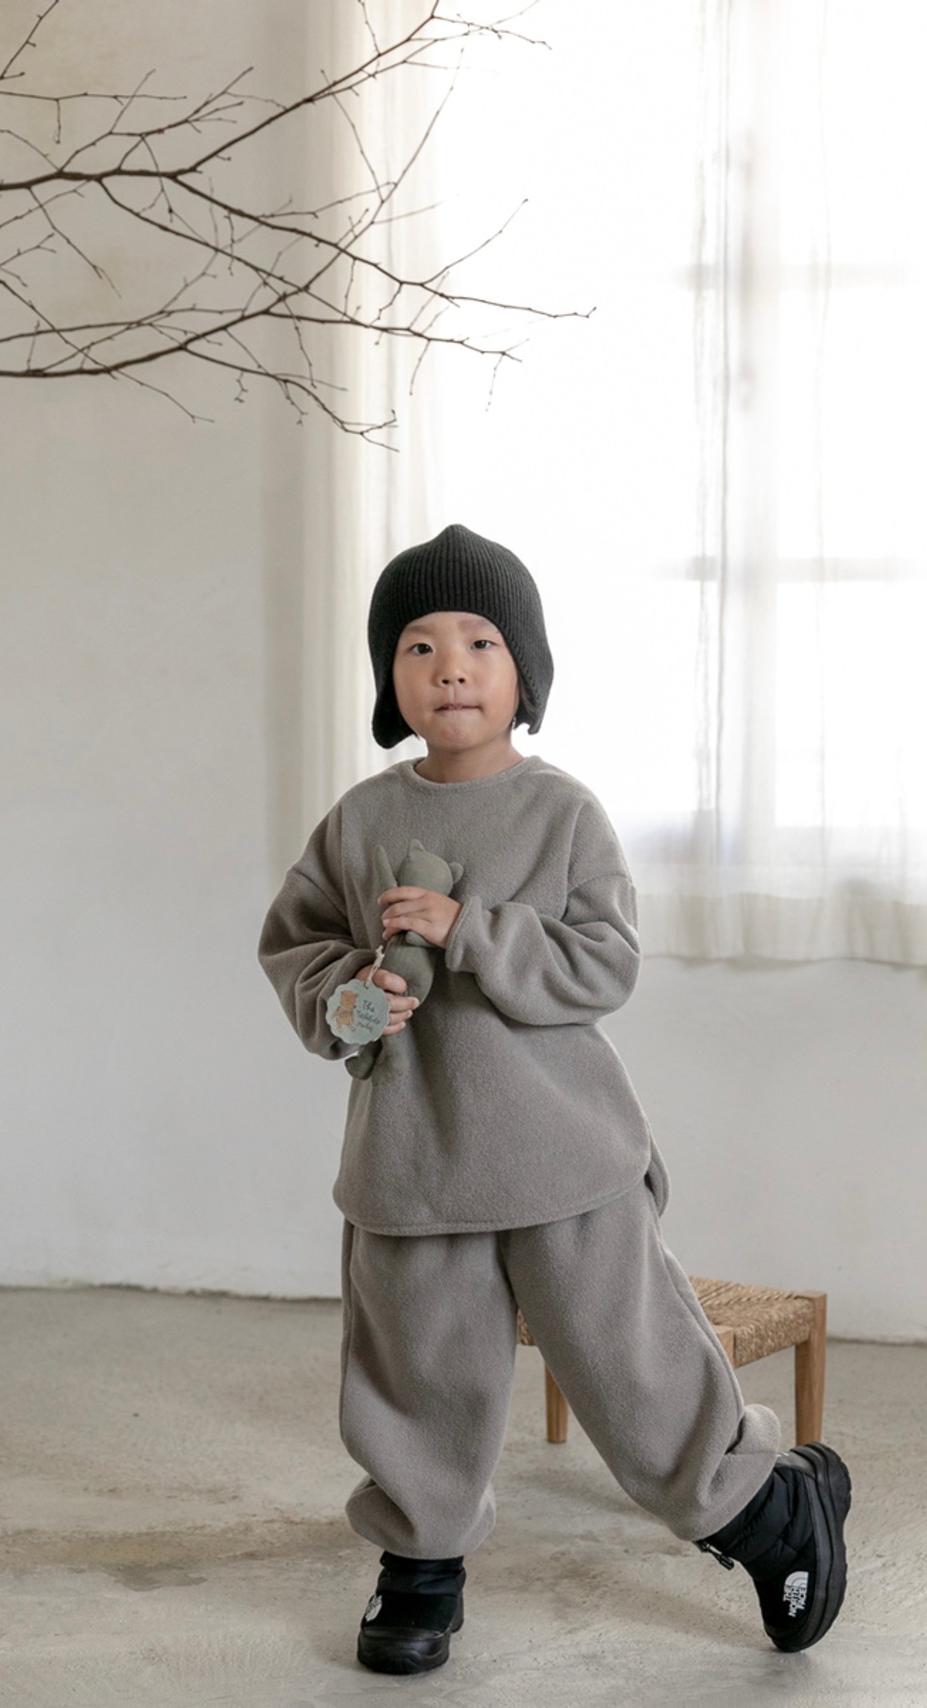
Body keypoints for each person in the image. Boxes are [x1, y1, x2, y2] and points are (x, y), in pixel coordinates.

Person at [258, 523, 851, 1677]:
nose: (450, 667)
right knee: (415, 1368)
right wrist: (346, 999)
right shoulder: (360, 822)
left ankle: (762, 1510)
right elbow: (297, 944)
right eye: (418, 646)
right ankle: (420, 1556)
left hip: (560, 1154)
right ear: (388, 679)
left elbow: (602, 965)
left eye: (479, 642)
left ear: (523, 669)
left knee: (631, 1362)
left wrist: (468, 930)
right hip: (412, 1161)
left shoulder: (561, 812)